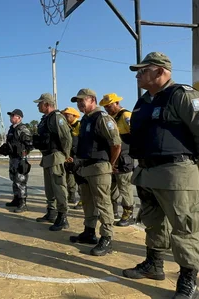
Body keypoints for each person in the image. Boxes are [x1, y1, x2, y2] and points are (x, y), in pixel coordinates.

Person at [123, 52, 199, 298]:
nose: (138, 75)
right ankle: (154, 264)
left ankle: (188, 279)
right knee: (153, 222)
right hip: (146, 171)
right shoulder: (143, 102)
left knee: (184, 227)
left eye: (143, 70)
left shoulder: (182, 95)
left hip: (176, 173)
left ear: (160, 71)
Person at [69, 88, 122, 256]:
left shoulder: (102, 118)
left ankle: (107, 238)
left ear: (92, 100)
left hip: (99, 167)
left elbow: (116, 144)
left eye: (81, 100)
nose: (79, 104)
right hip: (85, 168)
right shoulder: (86, 120)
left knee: (103, 203)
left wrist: (109, 164)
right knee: (88, 202)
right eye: (77, 101)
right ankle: (89, 232)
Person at [32, 93, 73, 231]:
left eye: (40, 103)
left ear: (47, 104)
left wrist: (66, 155)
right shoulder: (46, 119)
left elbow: (66, 138)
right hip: (48, 156)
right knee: (50, 188)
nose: (38, 106)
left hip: (56, 156)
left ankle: (63, 217)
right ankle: (51, 212)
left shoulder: (57, 117)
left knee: (58, 187)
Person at [99, 93, 135, 226]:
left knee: (124, 187)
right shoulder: (109, 118)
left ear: (116, 103)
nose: (107, 109)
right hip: (112, 158)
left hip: (124, 158)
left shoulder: (126, 115)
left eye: (109, 106)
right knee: (111, 187)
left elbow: (135, 134)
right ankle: (113, 211)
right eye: (105, 107)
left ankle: (128, 213)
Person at [0, 109, 33, 213]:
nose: (11, 117)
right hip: (12, 158)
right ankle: (16, 199)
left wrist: (24, 154)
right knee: (14, 179)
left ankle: (23, 203)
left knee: (21, 180)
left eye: (13, 116)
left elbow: (30, 143)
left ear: (19, 118)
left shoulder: (22, 129)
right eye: (10, 116)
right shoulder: (11, 129)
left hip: (20, 158)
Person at [60, 107, 81, 207]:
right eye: (64, 115)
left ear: (73, 115)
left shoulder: (80, 125)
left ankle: (83, 198)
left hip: (79, 157)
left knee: (81, 178)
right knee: (70, 177)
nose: (65, 117)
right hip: (69, 156)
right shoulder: (67, 127)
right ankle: (71, 196)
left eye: (67, 115)